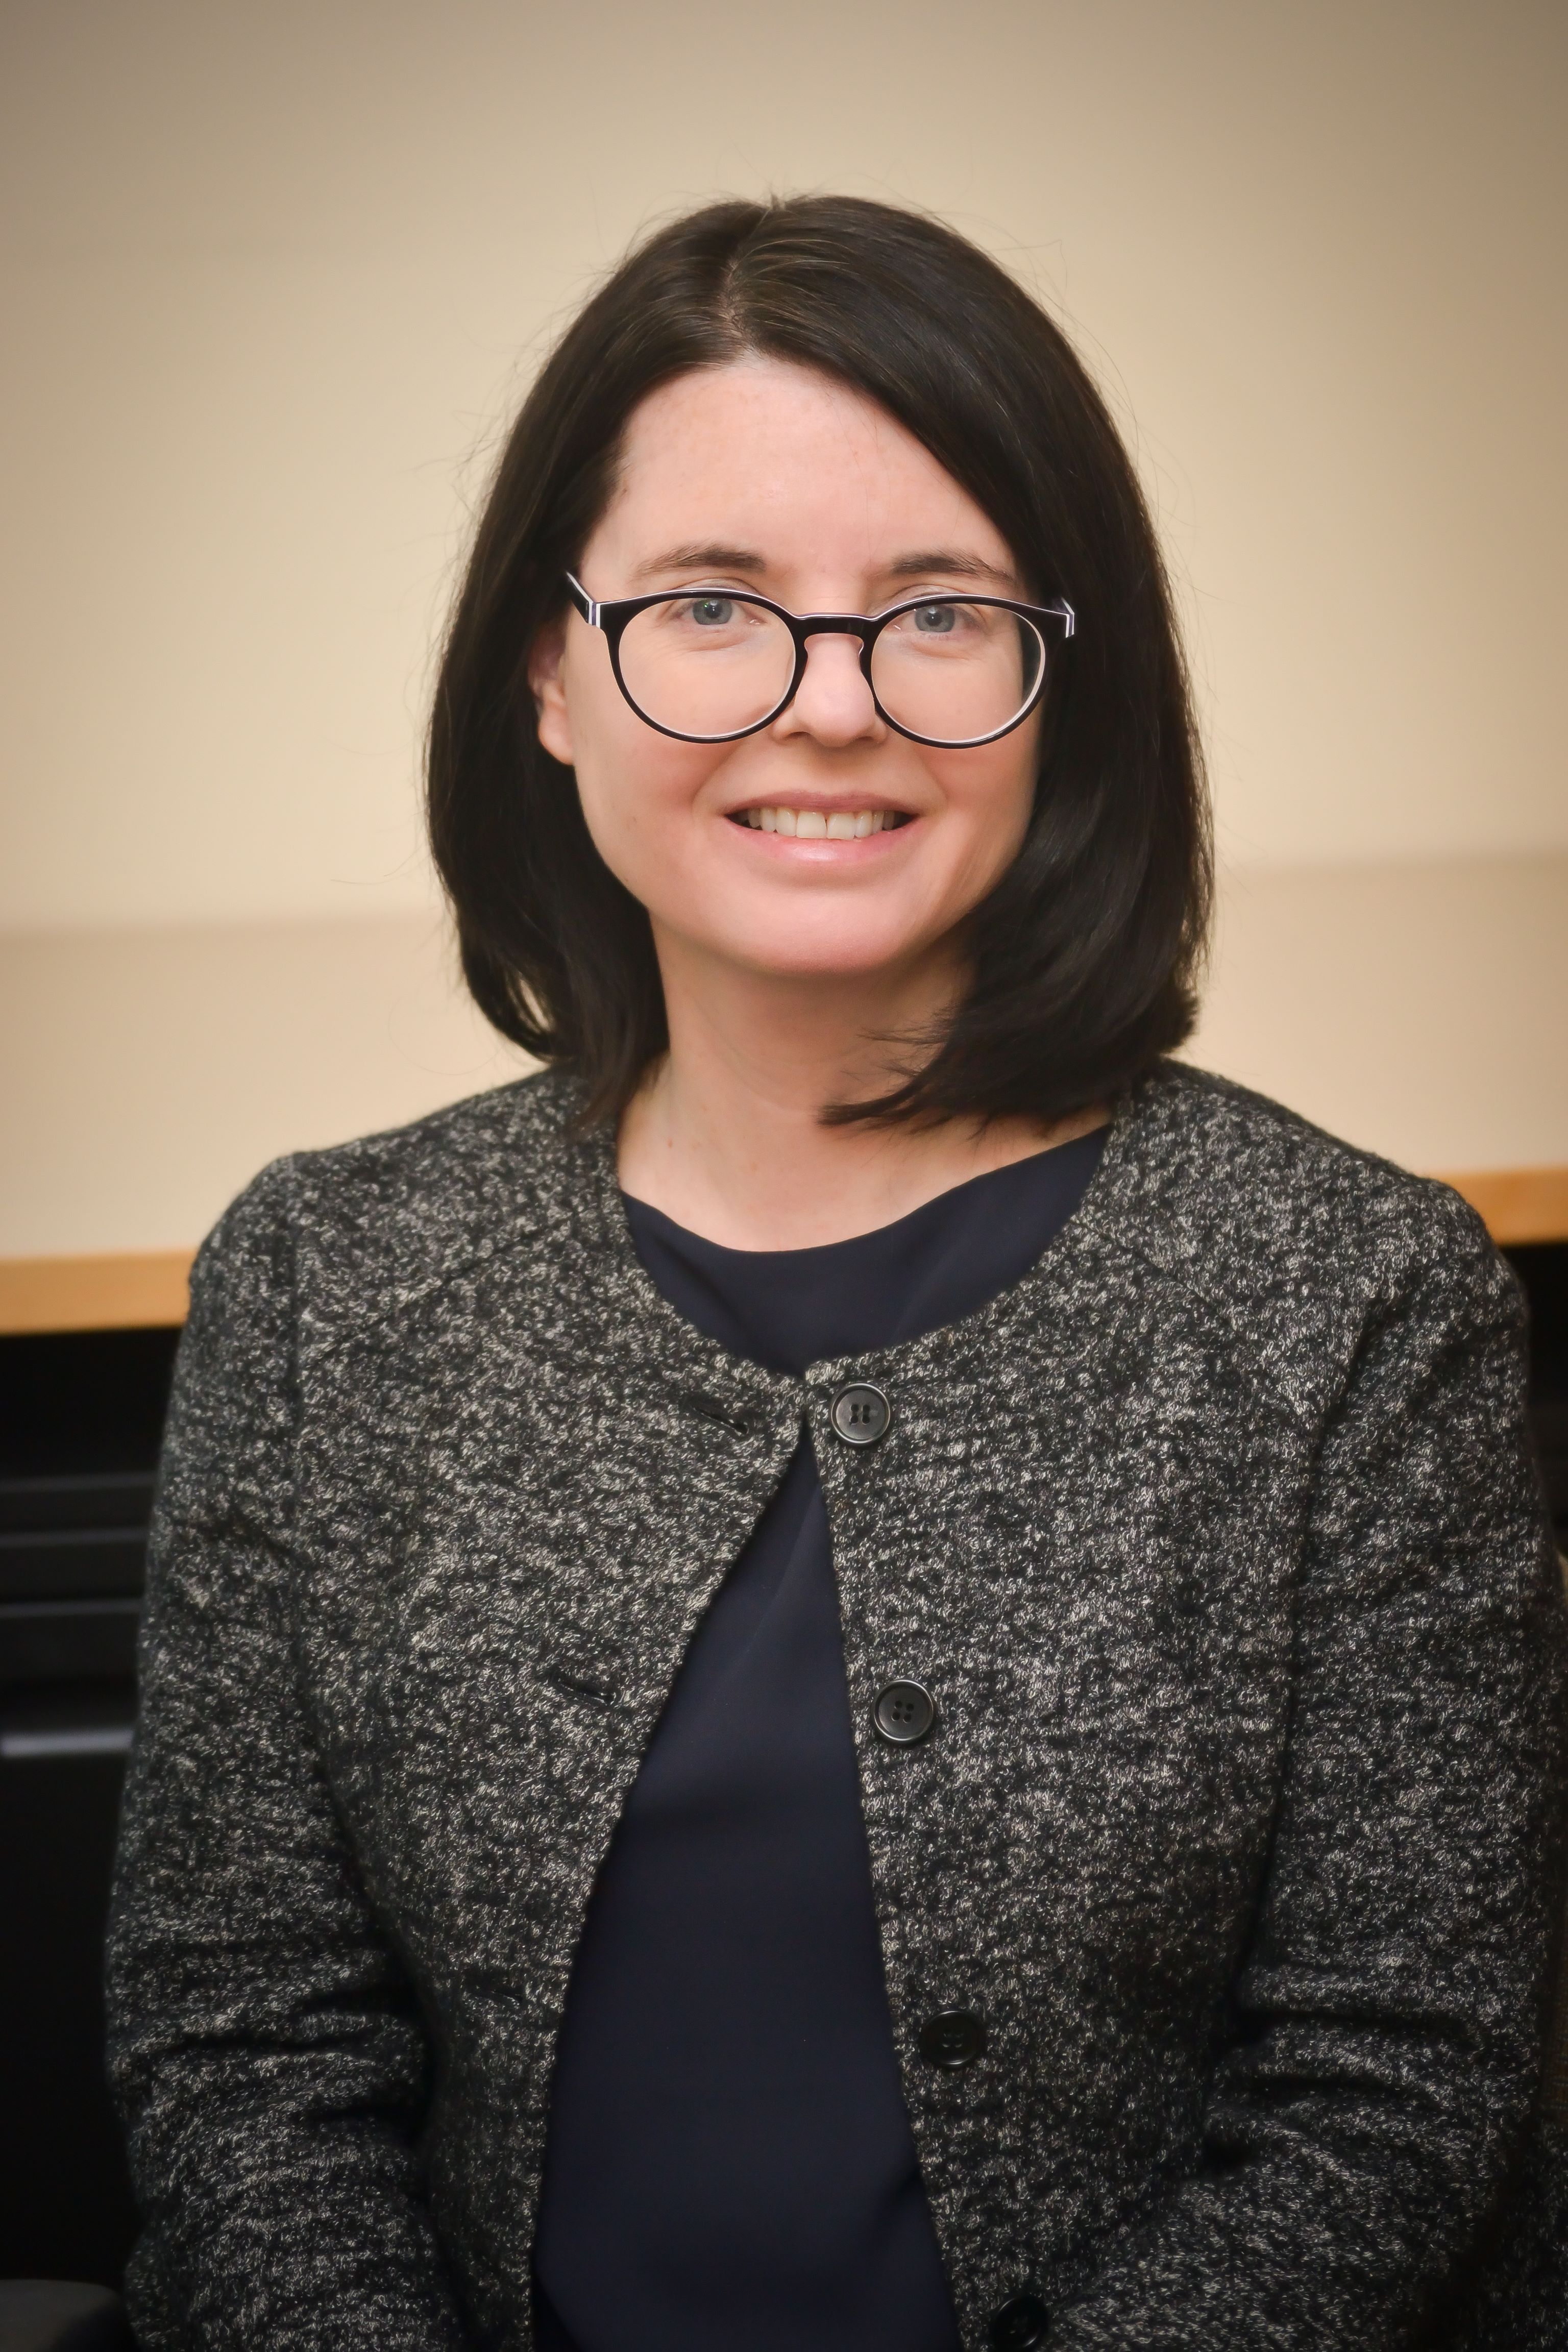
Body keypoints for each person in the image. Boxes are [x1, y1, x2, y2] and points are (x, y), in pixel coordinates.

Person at [107, 195, 1566, 2352]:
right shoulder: (328, 1284)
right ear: (547, 666)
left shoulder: (1345, 1296)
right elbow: (240, 2050)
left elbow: (1393, 2098)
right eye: (713, 603)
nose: (831, 707)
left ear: (1065, 678)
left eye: (939, 612)